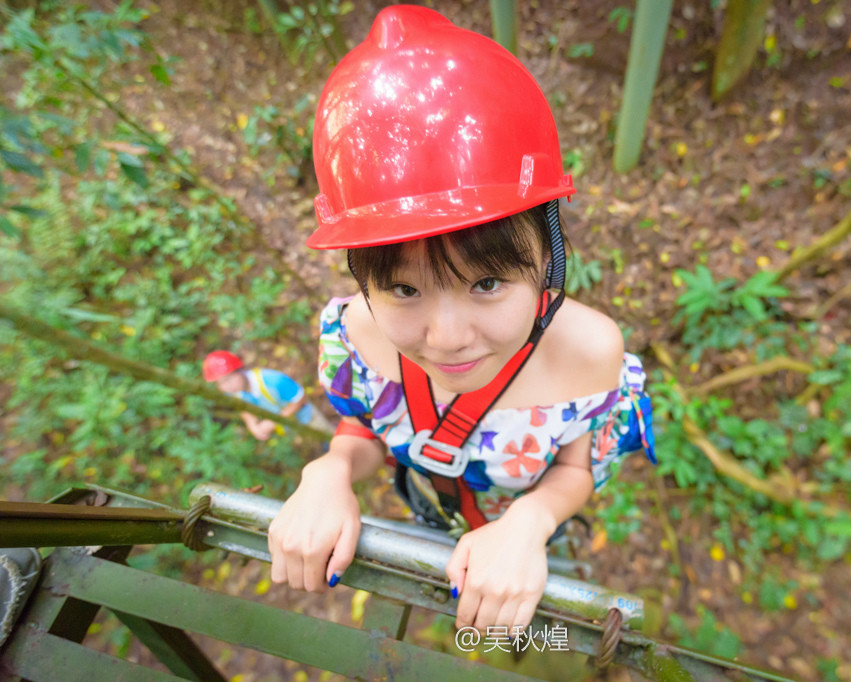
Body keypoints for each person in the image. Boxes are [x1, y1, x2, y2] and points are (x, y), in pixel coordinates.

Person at [267, 5, 655, 635]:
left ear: (549, 253)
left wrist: (529, 523)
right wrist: (331, 471)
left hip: (532, 553)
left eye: (487, 281)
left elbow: (575, 468)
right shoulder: (354, 334)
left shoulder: (587, 350)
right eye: (401, 288)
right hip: (426, 523)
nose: (446, 339)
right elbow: (364, 427)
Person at [202, 350, 334, 440]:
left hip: (307, 417)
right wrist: (251, 423)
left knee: (331, 436)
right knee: (312, 441)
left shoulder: (273, 381)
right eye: (220, 384)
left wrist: (273, 421)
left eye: (228, 379)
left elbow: (301, 399)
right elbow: (243, 407)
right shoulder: (236, 392)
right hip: (289, 427)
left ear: (239, 371)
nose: (226, 387)